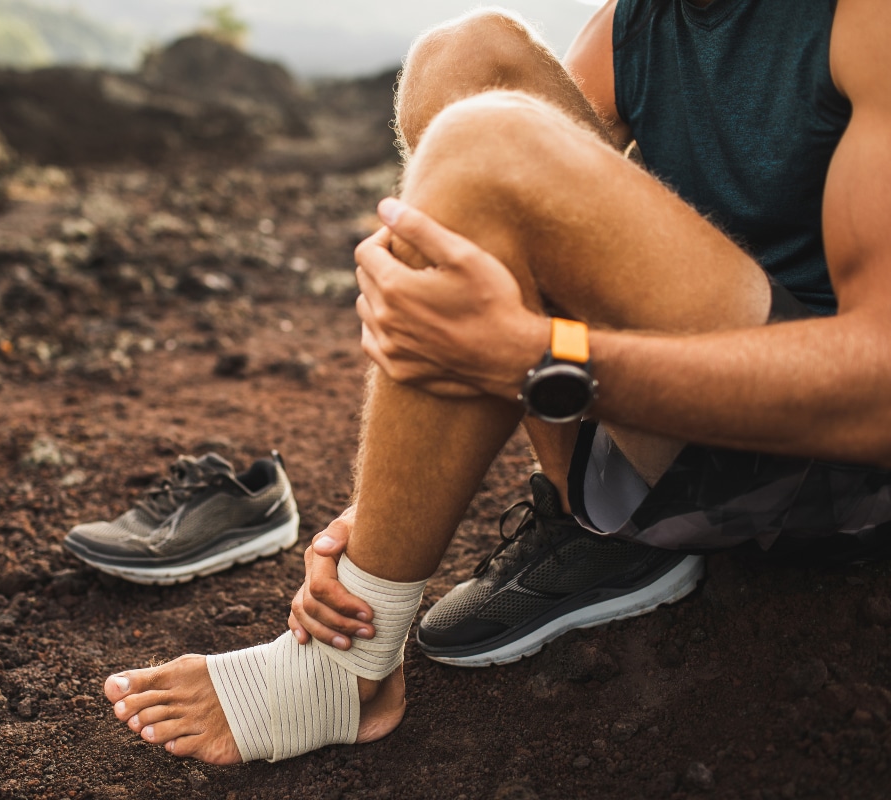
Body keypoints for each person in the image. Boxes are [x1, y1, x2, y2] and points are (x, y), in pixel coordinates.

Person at [103, 0, 891, 764]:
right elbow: (501, 219)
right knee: (467, 62)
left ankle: (344, 669)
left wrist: (548, 362)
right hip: (671, 434)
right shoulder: (636, 27)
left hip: (832, 478)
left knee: (494, 142)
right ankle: (578, 534)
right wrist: (383, 512)